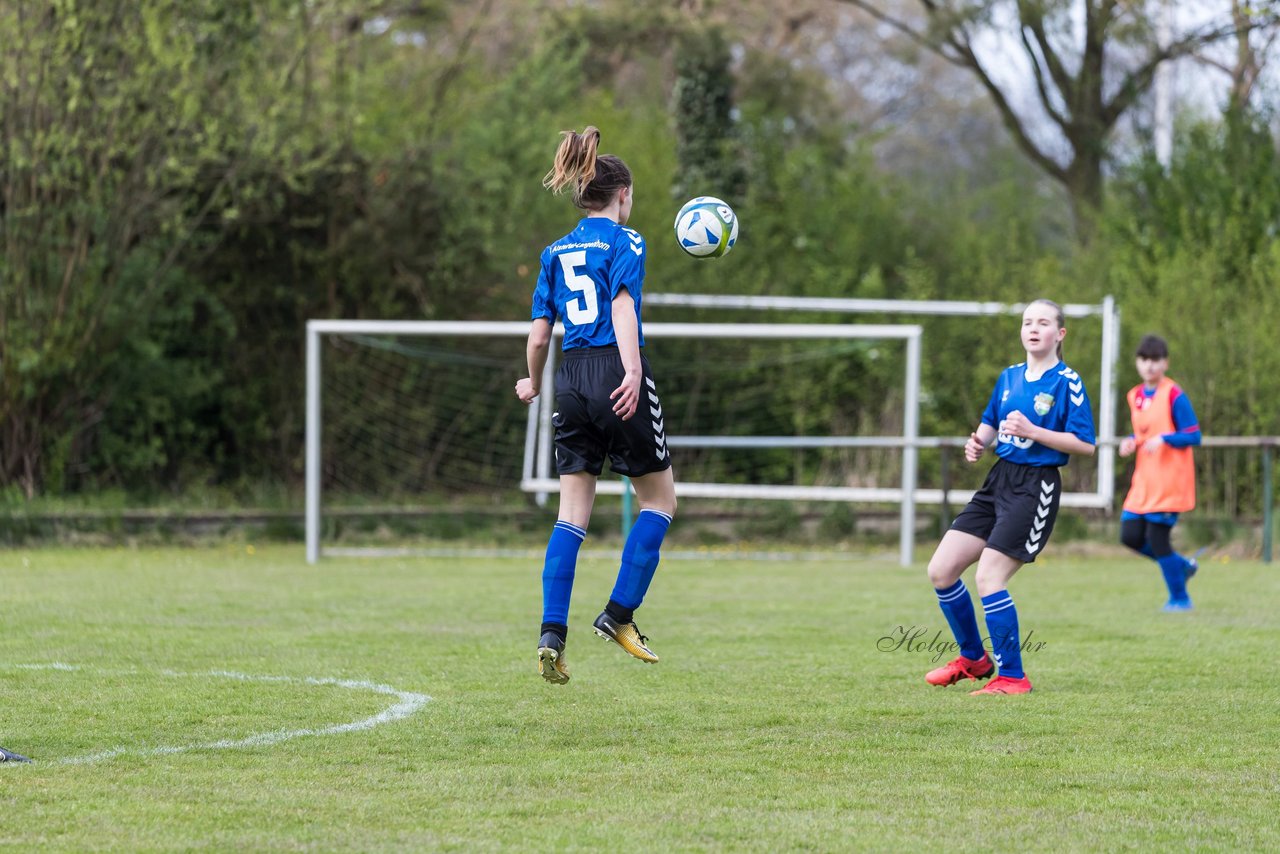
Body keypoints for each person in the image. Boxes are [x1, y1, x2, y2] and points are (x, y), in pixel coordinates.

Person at [515, 126, 677, 685]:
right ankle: (619, 614)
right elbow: (625, 307)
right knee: (659, 500)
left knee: (570, 516)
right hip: (614, 368)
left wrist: (532, 383)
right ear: (623, 195)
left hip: (570, 381)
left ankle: (551, 635)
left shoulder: (554, 252)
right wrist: (632, 370)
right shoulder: (627, 243)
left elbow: (539, 337)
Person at [923, 299, 1097, 695]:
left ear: (1060, 334)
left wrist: (1035, 431)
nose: (1033, 329)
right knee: (941, 570)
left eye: (1043, 323)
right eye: (1027, 322)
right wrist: (978, 443)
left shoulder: (1066, 381)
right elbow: (990, 422)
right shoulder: (1009, 377)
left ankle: (1013, 677)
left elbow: (1085, 444)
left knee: (989, 577)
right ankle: (973, 659)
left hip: (1035, 487)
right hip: (997, 481)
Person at [1118, 334, 1202, 611]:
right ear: (1137, 363)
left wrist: (1166, 439)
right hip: (1144, 480)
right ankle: (1182, 566)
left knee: (1157, 538)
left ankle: (1180, 598)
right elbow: (1143, 431)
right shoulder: (1135, 396)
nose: (1150, 366)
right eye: (1144, 360)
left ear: (1165, 363)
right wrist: (1131, 441)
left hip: (1169, 481)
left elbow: (1193, 435)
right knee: (1129, 535)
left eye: (1156, 360)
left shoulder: (1175, 395)